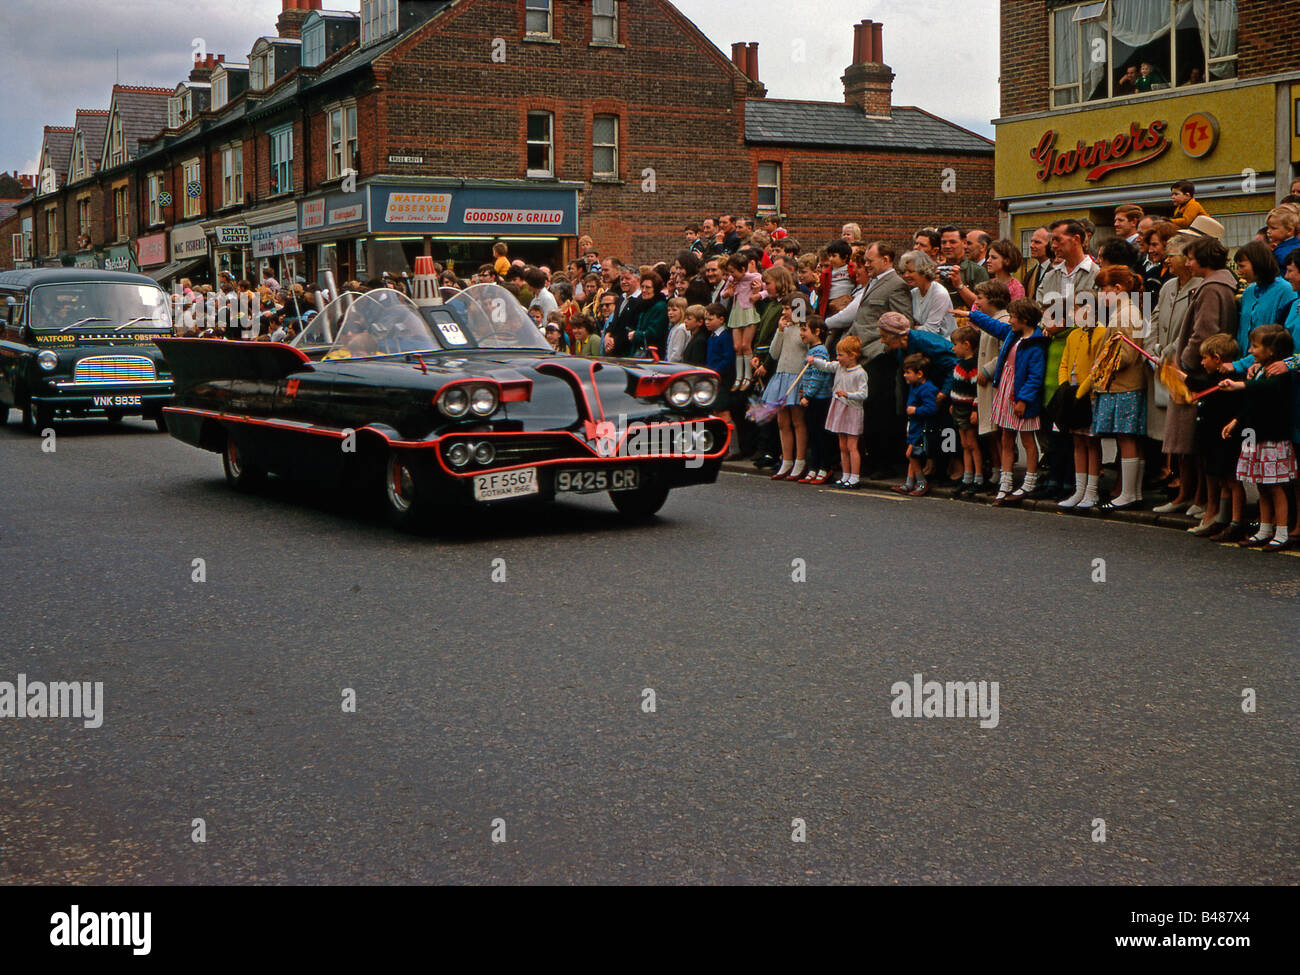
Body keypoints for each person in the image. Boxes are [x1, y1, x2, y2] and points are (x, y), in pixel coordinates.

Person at [958, 298, 1049, 504]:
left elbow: (1035, 377)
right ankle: (1005, 482)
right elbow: (994, 326)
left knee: (1027, 440)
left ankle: (1029, 481)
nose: (1010, 321)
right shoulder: (1012, 334)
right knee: (1006, 438)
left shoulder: (1036, 344)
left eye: (1014, 317)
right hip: (1006, 391)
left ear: (1025, 319)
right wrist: (972, 315)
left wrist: (1023, 400)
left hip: (1020, 396)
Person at [1218, 324, 1296, 550]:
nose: (1250, 350)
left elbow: (1265, 388)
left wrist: (1240, 384)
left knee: (1276, 486)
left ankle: (1282, 532)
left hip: (1272, 436)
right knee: (1261, 483)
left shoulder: (1278, 373)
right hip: (1254, 433)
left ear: (1271, 351)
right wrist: (1236, 421)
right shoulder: (1259, 370)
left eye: (1255, 346)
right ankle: (1264, 529)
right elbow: (1253, 401)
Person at [1086, 267, 1148, 510]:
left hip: (1124, 386)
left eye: (1104, 289)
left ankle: (1129, 493)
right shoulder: (1125, 312)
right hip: (1125, 385)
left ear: (1118, 289)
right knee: (1129, 439)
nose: (1101, 294)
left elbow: (1126, 355)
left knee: (1127, 438)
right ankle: (1133, 492)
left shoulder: (1125, 315)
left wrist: (1100, 366)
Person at [1149, 234, 1203, 508]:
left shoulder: (1200, 285)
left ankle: (1190, 491)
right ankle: (1179, 486)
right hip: (1162, 362)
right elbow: (1155, 317)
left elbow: (1193, 329)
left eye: (1172, 255)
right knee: (1171, 434)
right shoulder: (1169, 285)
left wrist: (1170, 350)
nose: (1166, 260)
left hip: (1183, 365)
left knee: (1186, 436)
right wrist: (1153, 347)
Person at [1186, 333, 1244, 538]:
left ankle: (1235, 522)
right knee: (1223, 479)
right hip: (1212, 435)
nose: (1202, 363)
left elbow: (1200, 386)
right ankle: (1222, 520)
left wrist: (1176, 375)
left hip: (1226, 436)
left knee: (1232, 479)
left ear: (1217, 358)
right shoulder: (1214, 378)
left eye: (1204, 358)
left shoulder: (1229, 380)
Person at [1052, 298, 1106, 510]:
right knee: (1077, 441)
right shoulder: (1074, 334)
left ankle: (1091, 491)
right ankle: (1079, 489)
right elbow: (1064, 363)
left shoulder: (1101, 332)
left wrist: (1081, 391)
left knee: (1091, 442)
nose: (1073, 314)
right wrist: (1064, 387)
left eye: (1076, 310)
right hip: (1071, 394)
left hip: (1088, 395)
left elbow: (1098, 367)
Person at [807, 334, 868, 488]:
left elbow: (863, 394)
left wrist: (848, 394)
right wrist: (814, 361)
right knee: (842, 445)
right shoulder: (839, 367)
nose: (838, 358)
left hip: (852, 410)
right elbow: (826, 366)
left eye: (841, 355)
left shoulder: (860, 373)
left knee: (852, 446)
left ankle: (854, 478)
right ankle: (845, 475)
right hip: (839, 407)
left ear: (852, 355)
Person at [763, 299, 811, 482]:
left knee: (798, 421)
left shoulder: (804, 328)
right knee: (782, 421)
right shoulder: (785, 328)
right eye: (783, 308)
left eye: (787, 309)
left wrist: (799, 326)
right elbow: (774, 353)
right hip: (781, 375)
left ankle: (800, 461)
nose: (783, 312)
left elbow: (807, 348)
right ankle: (787, 461)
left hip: (796, 377)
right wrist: (780, 331)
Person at [1235, 240, 1295, 353]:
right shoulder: (1248, 292)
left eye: (1242, 266)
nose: (1239, 272)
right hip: (1244, 360)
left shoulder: (1286, 291)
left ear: (1258, 263)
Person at [893, 353, 938, 496]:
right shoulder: (914, 386)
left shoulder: (927, 388)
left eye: (908, 372)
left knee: (911, 455)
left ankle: (922, 482)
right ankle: (909, 483)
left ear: (919, 373)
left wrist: (916, 410)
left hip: (922, 428)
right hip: (914, 427)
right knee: (912, 455)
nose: (905, 375)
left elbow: (932, 408)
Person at [796, 316, 835, 485]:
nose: (801, 333)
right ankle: (814, 467)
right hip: (811, 398)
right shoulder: (812, 349)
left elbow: (818, 376)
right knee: (813, 434)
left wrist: (808, 395)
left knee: (820, 435)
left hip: (819, 399)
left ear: (817, 332)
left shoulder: (819, 351)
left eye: (804, 330)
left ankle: (824, 467)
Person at [948, 325, 983, 497]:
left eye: (955, 345)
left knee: (972, 444)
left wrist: (975, 410)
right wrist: (953, 403)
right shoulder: (960, 363)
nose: (953, 348)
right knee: (964, 444)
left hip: (968, 409)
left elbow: (977, 390)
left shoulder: (972, 366)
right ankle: (967, 477)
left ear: (967, 345)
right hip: (958, 407)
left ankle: (978, 478)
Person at [721, 252, 763, 390]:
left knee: (746, 345)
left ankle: (748, 377)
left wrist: (758, 294)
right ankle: (738, 377)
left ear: (743, 269)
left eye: (733, 271)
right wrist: (727, 293)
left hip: (749, 311)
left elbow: (766, 290)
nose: (731, 275)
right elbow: (723, 293)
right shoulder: (732, 280)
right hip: (736, 311)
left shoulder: (755, 277)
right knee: (737, 347)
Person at [899, 249, 956, 336]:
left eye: (910, 271)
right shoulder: (913, 293)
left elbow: (931, 330)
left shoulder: (939, 293)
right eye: (904, 272)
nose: (906, 275)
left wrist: (911, 328)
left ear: (923, 271)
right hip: (921, 339)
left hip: (943, 341)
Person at [704, 303, 737, 450]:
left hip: (722, 380)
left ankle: (733, 448)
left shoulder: (724, 337)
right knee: (716, 412)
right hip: (713, 380)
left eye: (710, 319)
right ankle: (720, 447)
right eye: (706, 319)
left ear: (722, 319)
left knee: (724, 413)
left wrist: (715, 372)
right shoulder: (712, 337)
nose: (707, 322)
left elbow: (728, 359)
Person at [1024, 226, 1058, 302]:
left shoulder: (1058, 270)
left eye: (1037, 242)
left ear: (1050, 245)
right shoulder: (1030, 274)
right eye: (1031, 241)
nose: (1031, 245)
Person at [664, 296, 689, 362]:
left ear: (682, 311)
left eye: (674, 310)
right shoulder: (674, 327)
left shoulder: (681, 329)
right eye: (669, 310)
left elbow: (677, 353)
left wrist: (669, 364)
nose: (670, 313)